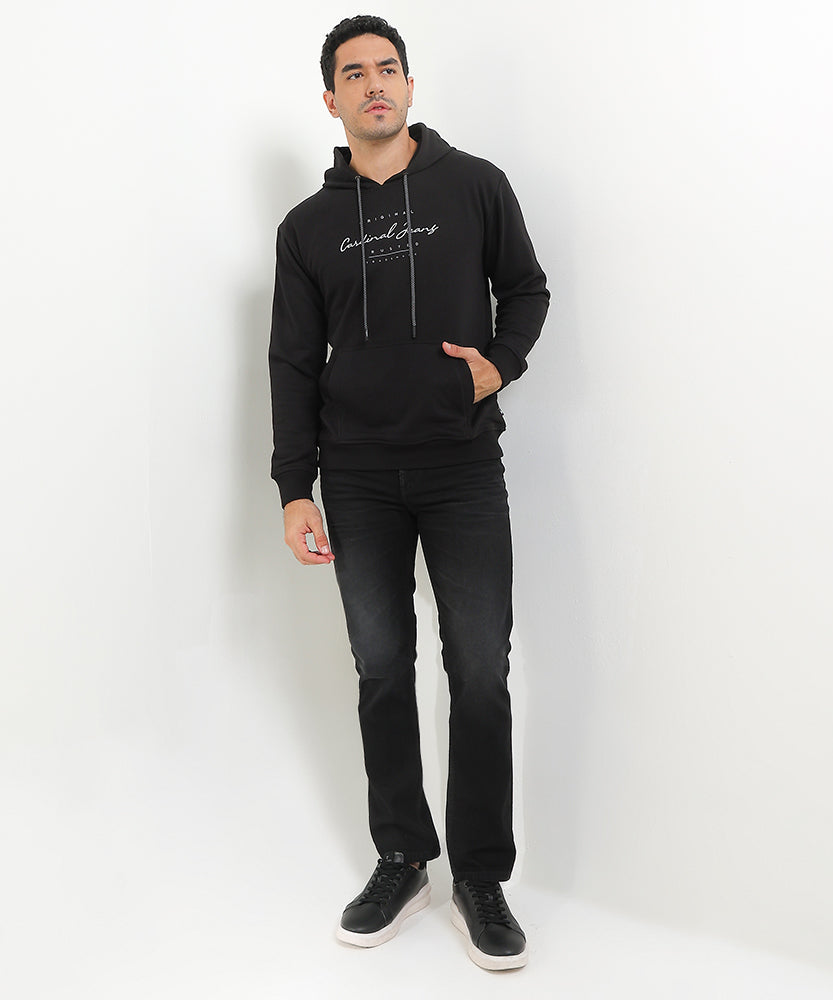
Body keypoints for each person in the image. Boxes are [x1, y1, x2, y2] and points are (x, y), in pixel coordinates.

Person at [268, 14, 549, 971]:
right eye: (354, 74)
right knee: (382, 669)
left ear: (410, 86)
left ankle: (480, 876)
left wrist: (499, 364)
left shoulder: (475, 186)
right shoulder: (306, 228)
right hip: (355, 479)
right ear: (331, 99)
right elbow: (292, 360)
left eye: (388, 69)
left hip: (461, 468)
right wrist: (294, 486)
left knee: (479, 671)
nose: (374, 84)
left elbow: (528, 290)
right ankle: (402, 858)